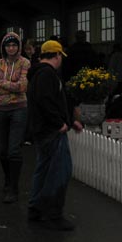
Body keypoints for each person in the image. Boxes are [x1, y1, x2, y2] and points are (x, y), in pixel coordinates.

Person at [27, 39, 83, 230]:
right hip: (51, 131)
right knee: (61, 171)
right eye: (61, 56)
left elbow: (52, 101)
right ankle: (53, 213)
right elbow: (47, 101)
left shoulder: (38, 73)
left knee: (43, 169)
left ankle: (35, 208)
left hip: (42, 130)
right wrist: (59, 123)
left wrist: (69, 121)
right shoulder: (47, 75)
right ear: (57, 55)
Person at [0, 31, 30, 203]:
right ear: (3, 47)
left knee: (14, 149)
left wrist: (3, 84)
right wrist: (11, 86)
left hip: (19, 109)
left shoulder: (25, 62)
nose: (11, 48)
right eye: (8, 45)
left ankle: (13, 187)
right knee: (2, 149)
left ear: (18, 46)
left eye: (14, 45)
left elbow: (22, 86)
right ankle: (7, 178)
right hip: (0, 110)